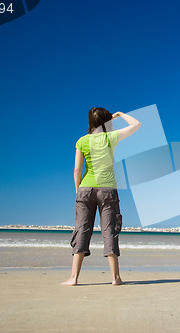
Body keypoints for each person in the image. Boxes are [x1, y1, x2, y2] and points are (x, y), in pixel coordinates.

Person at [61, 107, 141, 286]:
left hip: (85, 189)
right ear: (105, 124)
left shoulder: (82, 140)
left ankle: (74, 278)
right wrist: (120, 114)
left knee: (81, 230)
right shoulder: (109, 138)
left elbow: (77, 169)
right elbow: (136, 124)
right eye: (110, 122)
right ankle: (115, 278)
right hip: (108, 190)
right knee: (109, 231)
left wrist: (78, 190)